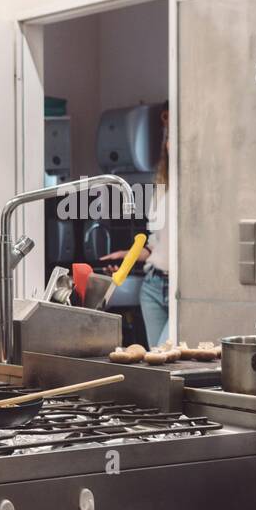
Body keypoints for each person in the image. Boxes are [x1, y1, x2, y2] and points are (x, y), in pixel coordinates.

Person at [102, 104, 171, 346]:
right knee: (158, 363)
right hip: (152, 286)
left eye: (174, 135)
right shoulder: (163, 187)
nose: (169, 143)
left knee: (166, 357)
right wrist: (127, 257)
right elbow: (155, 245)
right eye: (167, 136)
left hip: (181, 289)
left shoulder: (200, 188)